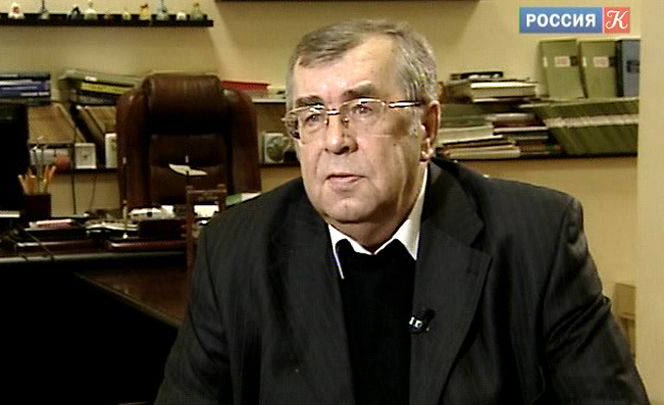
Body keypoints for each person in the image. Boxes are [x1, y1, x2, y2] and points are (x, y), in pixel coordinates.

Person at [154, 19, 649, 404]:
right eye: (312, 115)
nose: (335, 140)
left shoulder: (536, 239)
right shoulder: (236, 250)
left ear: (426, 130)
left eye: (363, 109)